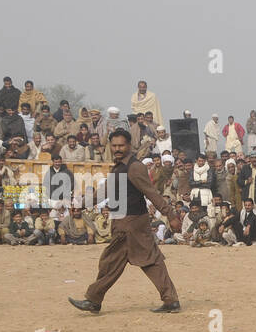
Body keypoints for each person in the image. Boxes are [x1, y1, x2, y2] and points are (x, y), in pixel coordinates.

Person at [69, 129, 180, 314]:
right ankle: (171, 300)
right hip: (129, 221)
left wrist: (170, 214)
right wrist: (83, 203)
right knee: (151, 260)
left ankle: (93, 300)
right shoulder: (120, 167)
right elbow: (105, 191)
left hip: (129, 223)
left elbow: (150, 192)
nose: (117, 149)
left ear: (129, 145)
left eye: (121, 145)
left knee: (110, 261)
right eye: (114, 146)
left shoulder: (134, 167)